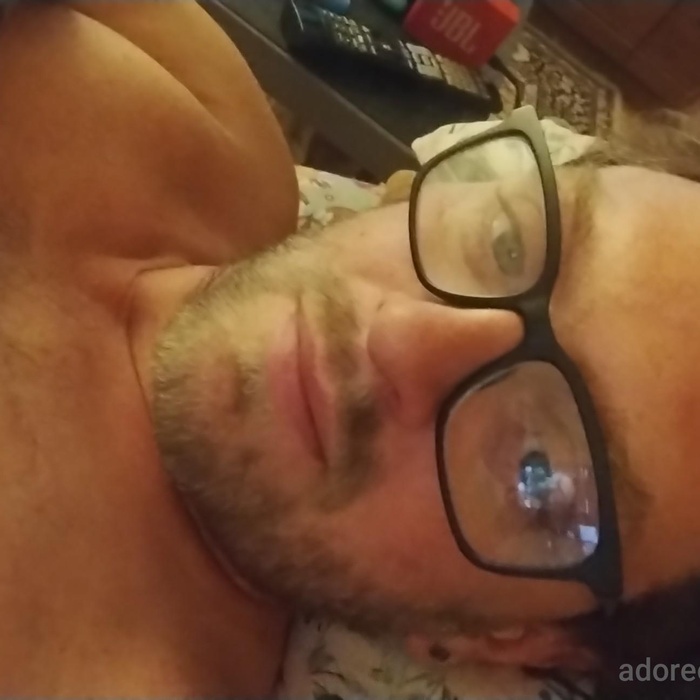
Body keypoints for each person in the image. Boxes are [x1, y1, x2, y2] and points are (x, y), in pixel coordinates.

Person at [2, 1, 700, 698]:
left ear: (507, 635)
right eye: (509, 245)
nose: (402, 337)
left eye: (535, 470)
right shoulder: (229, 140)